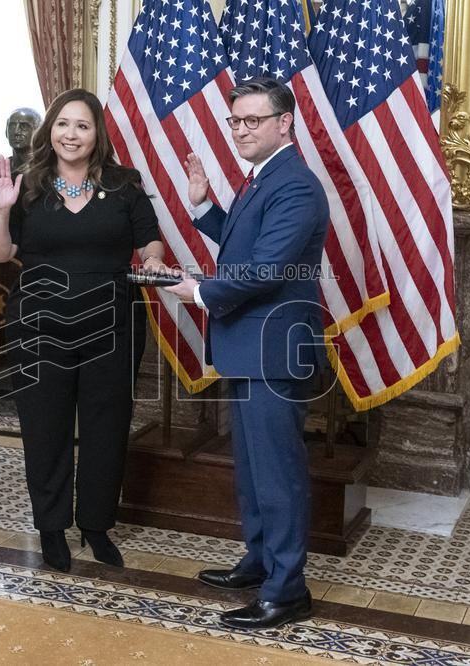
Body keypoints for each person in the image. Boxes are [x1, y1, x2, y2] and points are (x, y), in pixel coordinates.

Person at [166, 78, 329, 630]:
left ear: (285, 122)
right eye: (235, 122)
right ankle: (261, 563)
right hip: (250, 347)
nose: (240, 130)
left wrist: (202, 292)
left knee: (278, 473)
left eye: (252, 121)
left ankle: (288, 590)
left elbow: (266, 269)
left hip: (274, 351)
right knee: (254, 471)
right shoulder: (263, 179)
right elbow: (245, 243)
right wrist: (204, 205)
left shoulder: (297, 186)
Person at [0, 89, 169, 573]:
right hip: (39, 326)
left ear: (97, 134)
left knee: (107, 426)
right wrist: (2, 209)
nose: (71, 134)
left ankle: (96, 526)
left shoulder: (125, 185)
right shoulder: (28, 186)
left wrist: (152, 261)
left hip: (113, 323)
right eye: (63, 124)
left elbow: (149, 239)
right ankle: (51, 529)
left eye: (82, 126)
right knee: (46, 427)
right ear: (52, 130)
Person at [6, 107, 41, 174]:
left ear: (38, 132)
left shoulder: (46, 169)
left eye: (24, 127)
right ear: (6, 131)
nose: (16, 132)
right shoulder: (3, 169)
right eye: (12, 126)